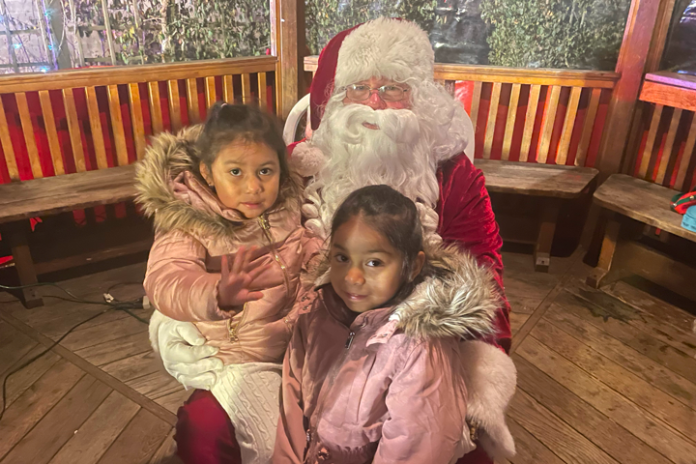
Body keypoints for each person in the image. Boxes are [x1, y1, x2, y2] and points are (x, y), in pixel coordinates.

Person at [148, 17, 513, 464]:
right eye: (360, 88)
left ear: (419, 96)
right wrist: (176, 317)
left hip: (404, 354)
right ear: (338, 98)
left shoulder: (454, 178)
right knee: (204, 429)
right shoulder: (292, 169)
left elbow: (485, 283)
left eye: (393, 88)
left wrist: (472, 365)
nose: (375, 103)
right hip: (288, 348)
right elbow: (208, 231)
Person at [273, 185, 516, 464]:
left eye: (374, 262)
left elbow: (415, 447)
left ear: (412, 266)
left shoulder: (419, 350)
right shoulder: (316, 314)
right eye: (342, 258)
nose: (352, 277)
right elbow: (292, 402)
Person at [136, 103, 321, 464]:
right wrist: (217, 293)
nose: (253, 186)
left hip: (294, 346)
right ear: (207, 172)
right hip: (234, 357)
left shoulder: (284, 207)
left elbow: (303, 244)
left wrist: (326, 262)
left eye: (265, 171)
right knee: (237, 436)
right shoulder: (189, 222)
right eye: (235, 171)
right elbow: (166, 278)